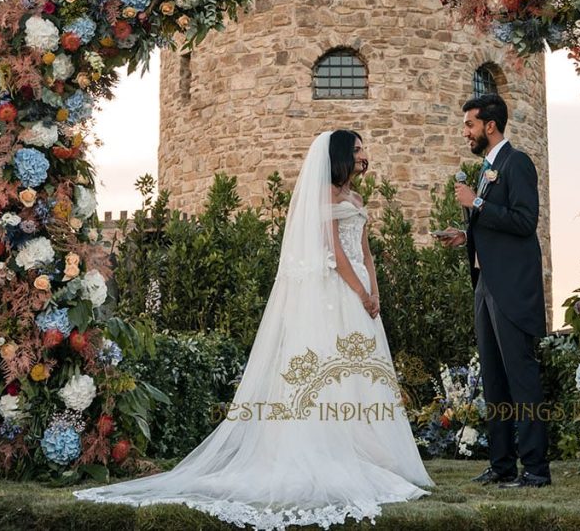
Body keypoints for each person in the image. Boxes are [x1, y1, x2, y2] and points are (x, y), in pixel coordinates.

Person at [75, 130, 432, 528]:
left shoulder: (358, 200)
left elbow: (365, 251)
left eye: (364, 149)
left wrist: (375, 291)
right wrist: (360, 292)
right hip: (339, 291)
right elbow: (334, 253)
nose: (365, 155)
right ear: (341, 157)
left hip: (363, 292)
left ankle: (369, 449)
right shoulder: (326, 199)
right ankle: (330, 448)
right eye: (358, 149)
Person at [435, 93, 552, 488]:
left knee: (521, 378)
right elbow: (494, 228)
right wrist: (465, 234)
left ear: (490, 125)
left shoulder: (516, 162)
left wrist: (477, 204)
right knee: (493, 380)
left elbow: (524, 221)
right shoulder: (488, 167)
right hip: (485, 284)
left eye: (469, 124)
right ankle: (501, 464)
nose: (464, 131)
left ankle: (535, 469)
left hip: (512, 288)